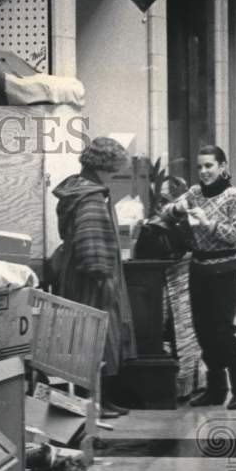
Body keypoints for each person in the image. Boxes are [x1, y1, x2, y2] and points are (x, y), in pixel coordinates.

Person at [160, 145, 236, 409]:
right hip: (198, 269)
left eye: (209, 166)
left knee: (222, 330)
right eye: (200, 167)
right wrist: (178, 210)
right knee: (202, 330)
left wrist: (207, 222)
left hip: (225, 269)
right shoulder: (195, 192)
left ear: (222, 166)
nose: (204, 171)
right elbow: (166, 213)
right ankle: (216, 388)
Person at [52, 136, 137, 416]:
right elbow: (91, 241)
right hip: (91, 282)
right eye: (114, 168)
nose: (115, 174)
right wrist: (102, 275)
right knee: (96, 340)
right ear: (105, 166)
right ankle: (96, 403)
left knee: (93, 340)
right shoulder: (91, 198)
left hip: (79, 278)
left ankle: (102, 400)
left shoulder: (81, 191)